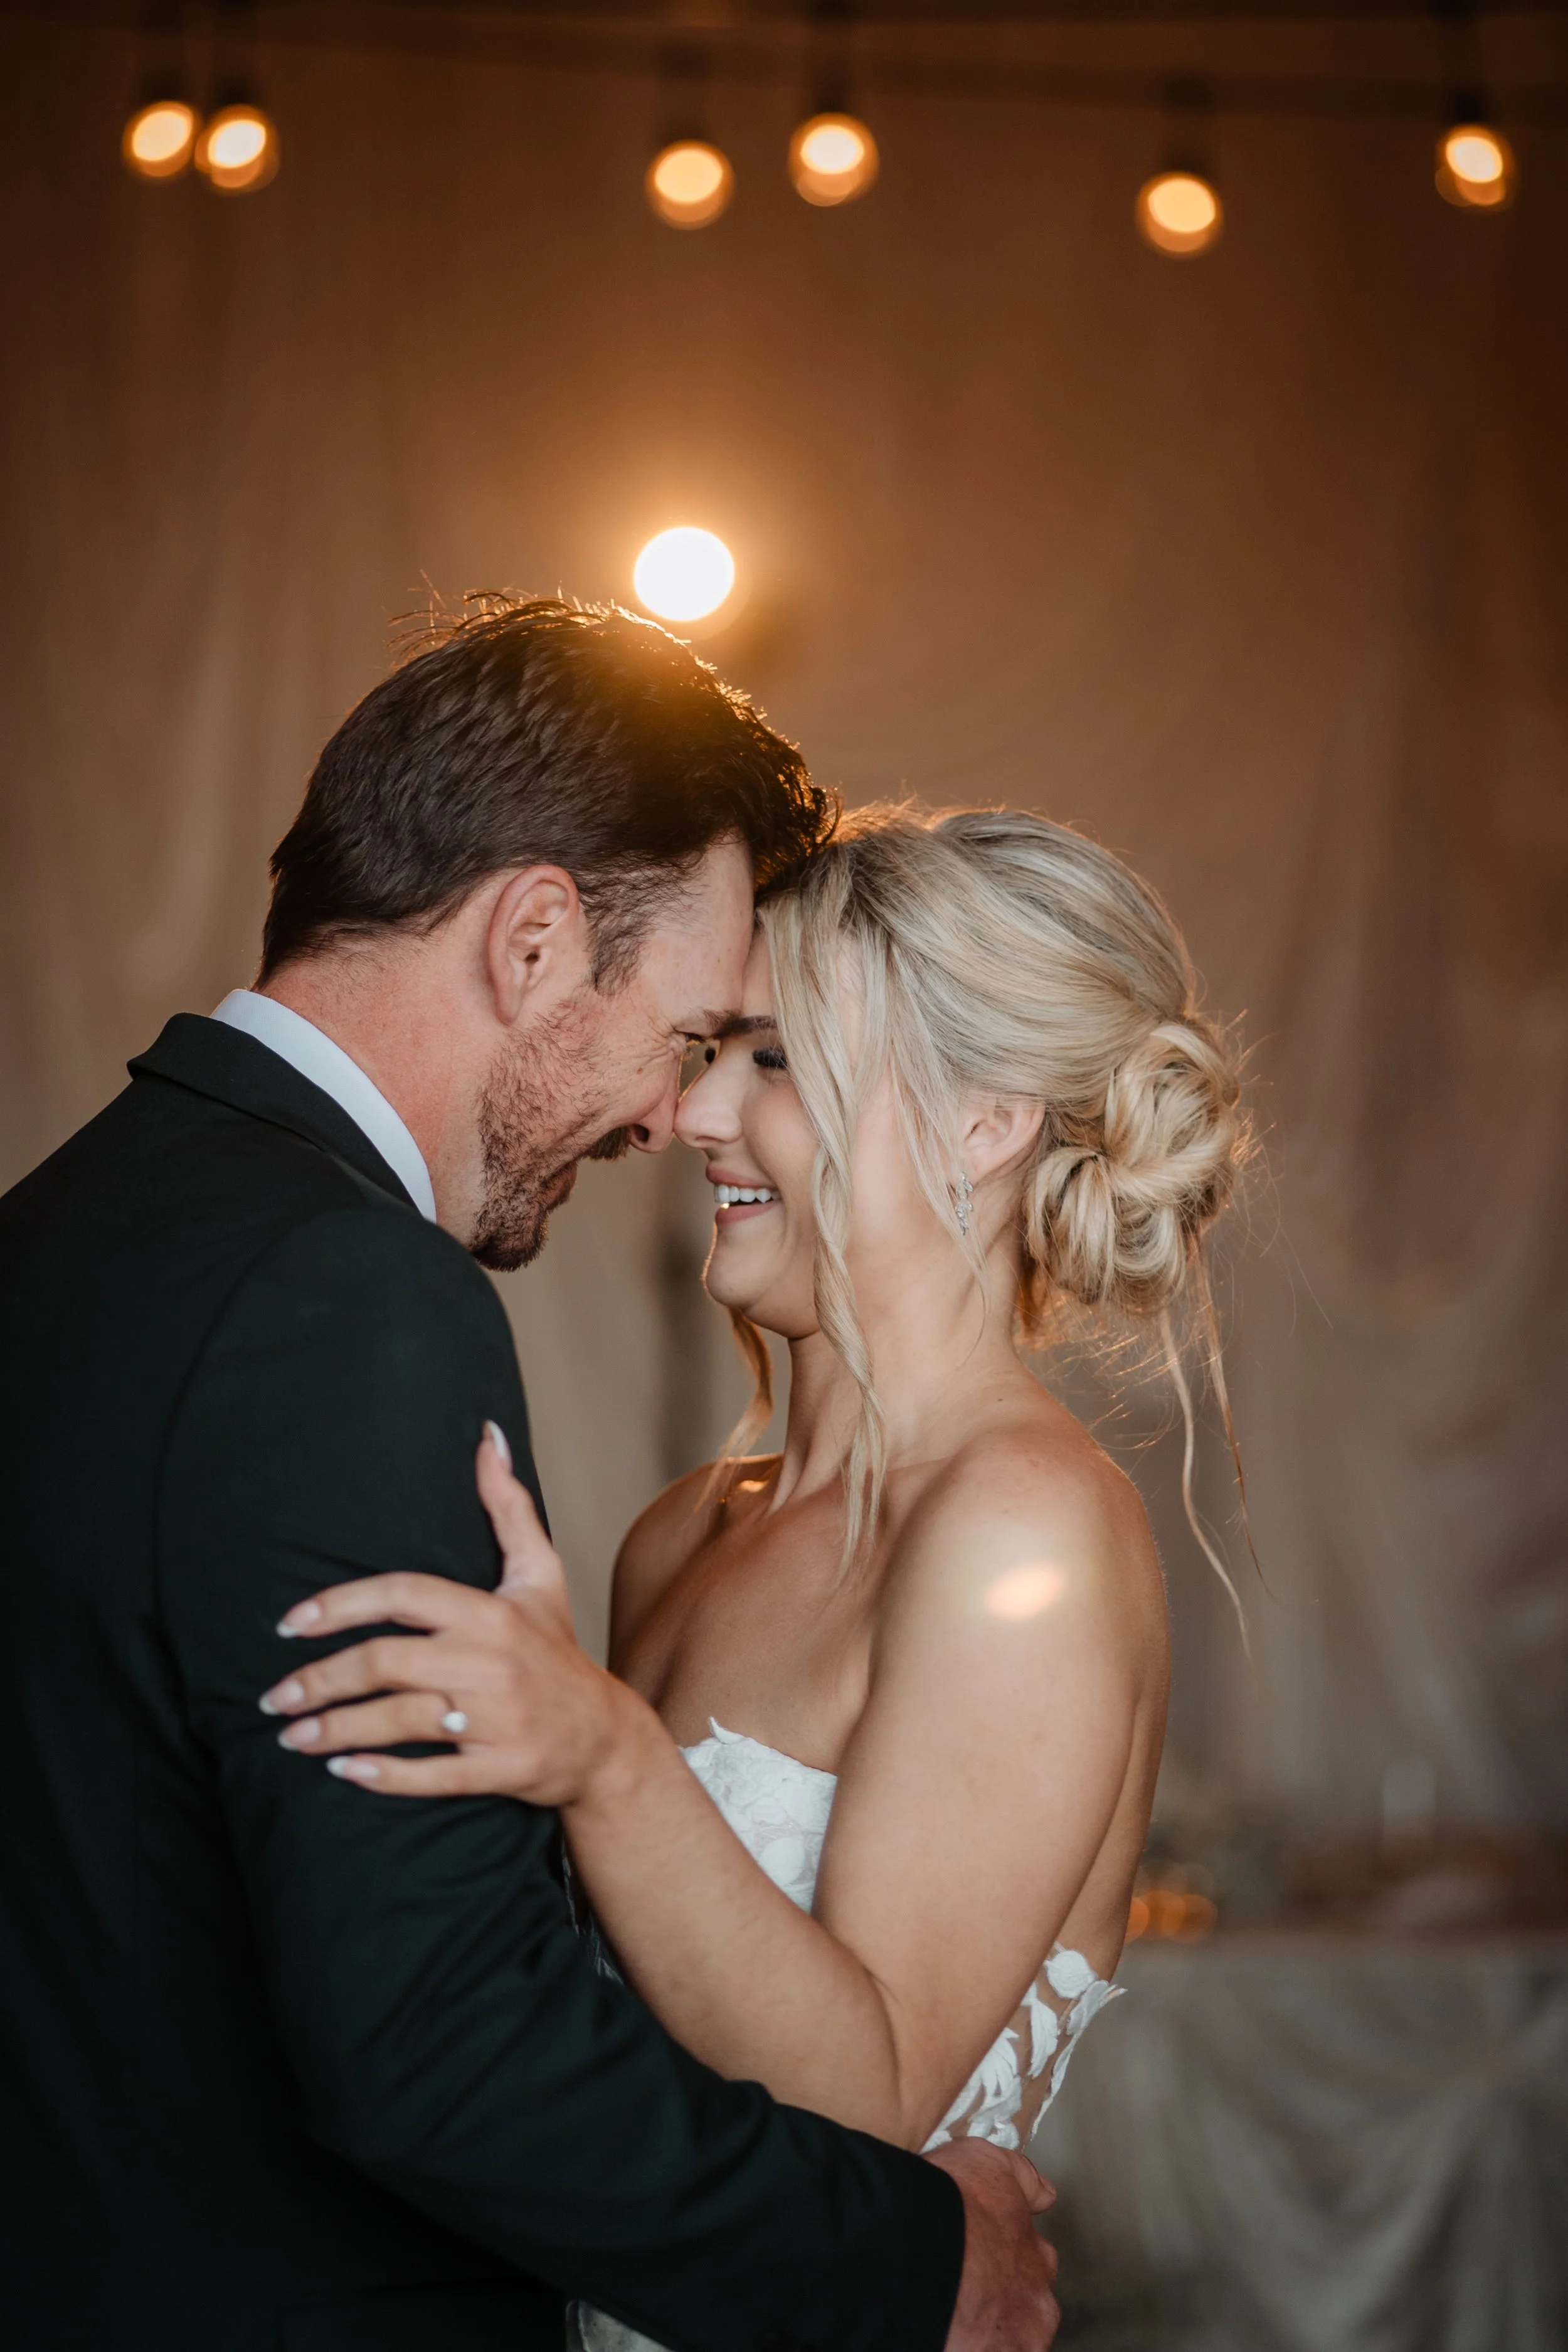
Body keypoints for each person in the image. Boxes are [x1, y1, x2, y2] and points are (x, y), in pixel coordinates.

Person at [0, 604, 1058, 2352]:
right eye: (688, 1031)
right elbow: (425, 2030)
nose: (671, 1118)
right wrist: (901, 2259)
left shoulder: (55, 1234)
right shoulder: (342, 1296)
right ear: (537, 937)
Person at [258, 803, 1250, 2352]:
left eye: (773, 1061)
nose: (696, 1111)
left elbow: (863, 2100)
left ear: (986, 1118)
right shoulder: (677, 1532)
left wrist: (595, 1751)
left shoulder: (1020, 1528)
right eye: (711, 1048)